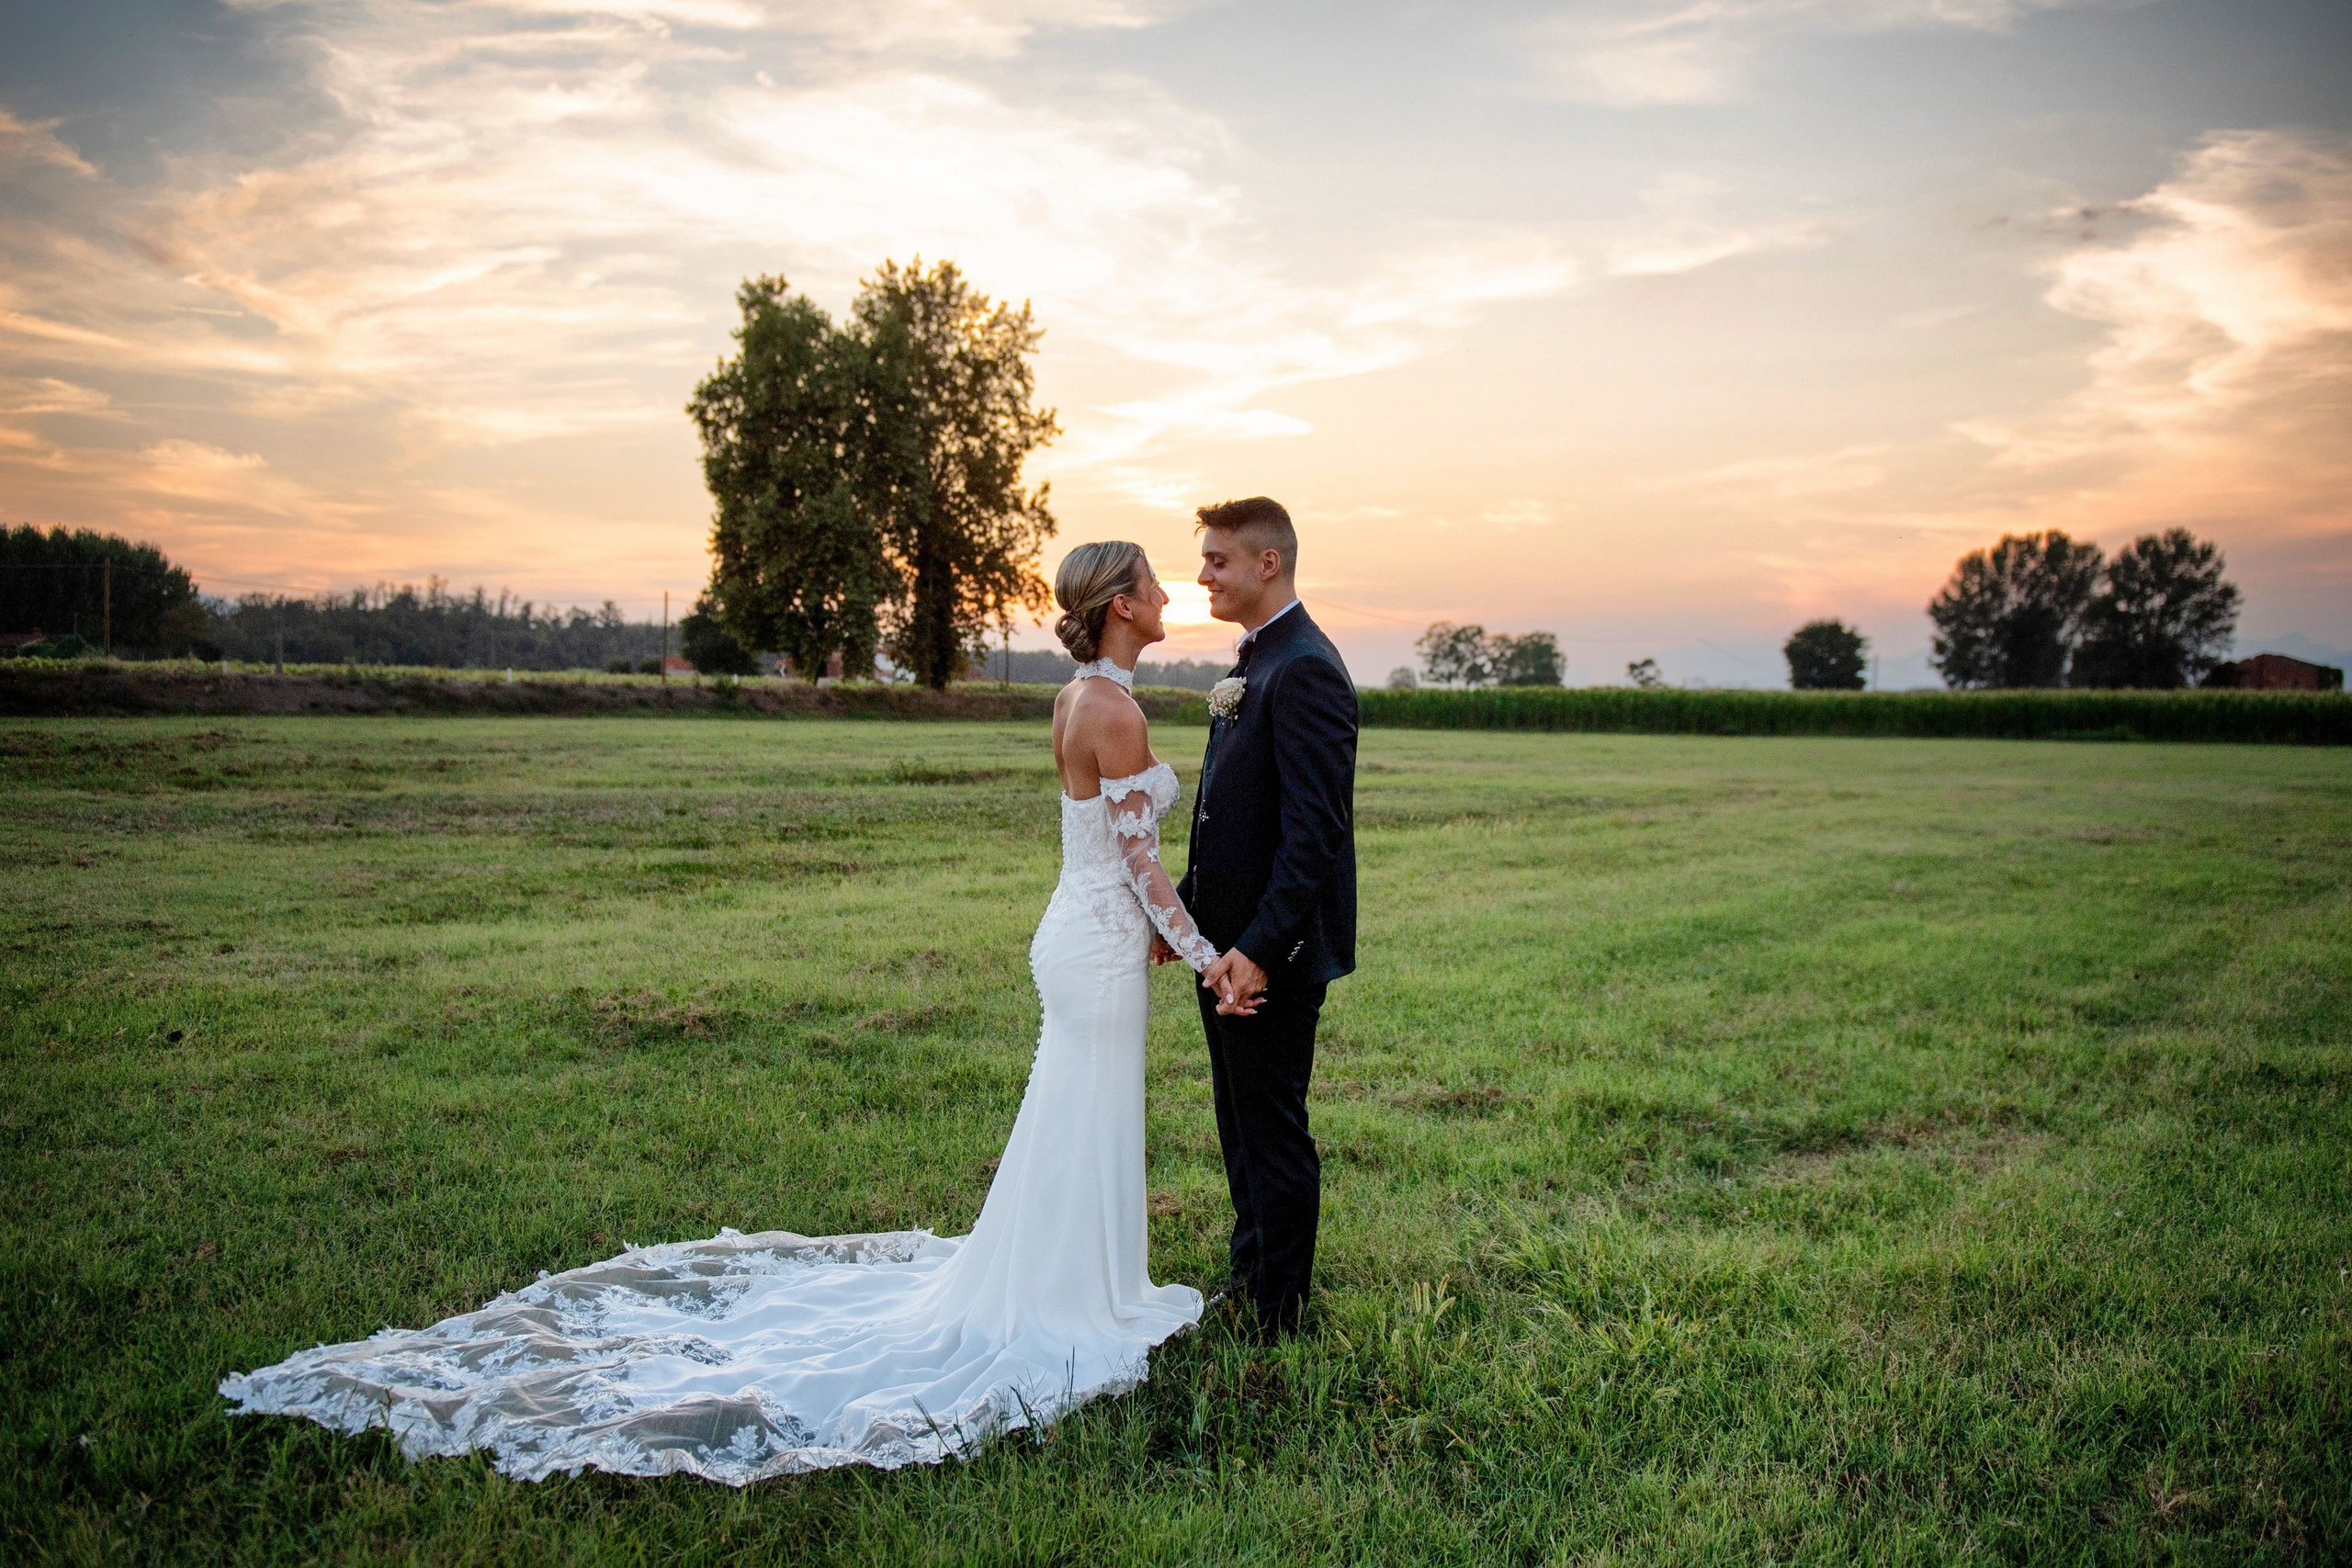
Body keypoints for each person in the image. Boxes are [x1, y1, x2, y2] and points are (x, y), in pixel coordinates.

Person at [219, 541, 1214, 1485]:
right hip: (1092, 949)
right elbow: (1137, 862)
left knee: (1070, 1114)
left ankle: (1072, 1281)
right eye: (1156, 585)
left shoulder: (1078, 697)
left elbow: (1113, 857)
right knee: (1078, 1111)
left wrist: (1158, 933)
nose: (1169, 596)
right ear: (1119, 603)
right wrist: (1214, 956)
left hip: (1085, 938)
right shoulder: (1113, 713)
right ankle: (1068, 1301)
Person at [1170, 496, 1358, 1341]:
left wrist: (1257, 950)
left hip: (1266, 955)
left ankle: (1278, 1316)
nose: (1204, 574)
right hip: (1223, 948)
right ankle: (1249, 1278)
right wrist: (1184, 919)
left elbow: (1314, 834)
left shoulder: (1305, 667)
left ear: (1267, 563)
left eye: (1217, 560)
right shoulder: (1259, 662)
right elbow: (1229, 817)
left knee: (1272, 1129)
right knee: (1239, 1124)